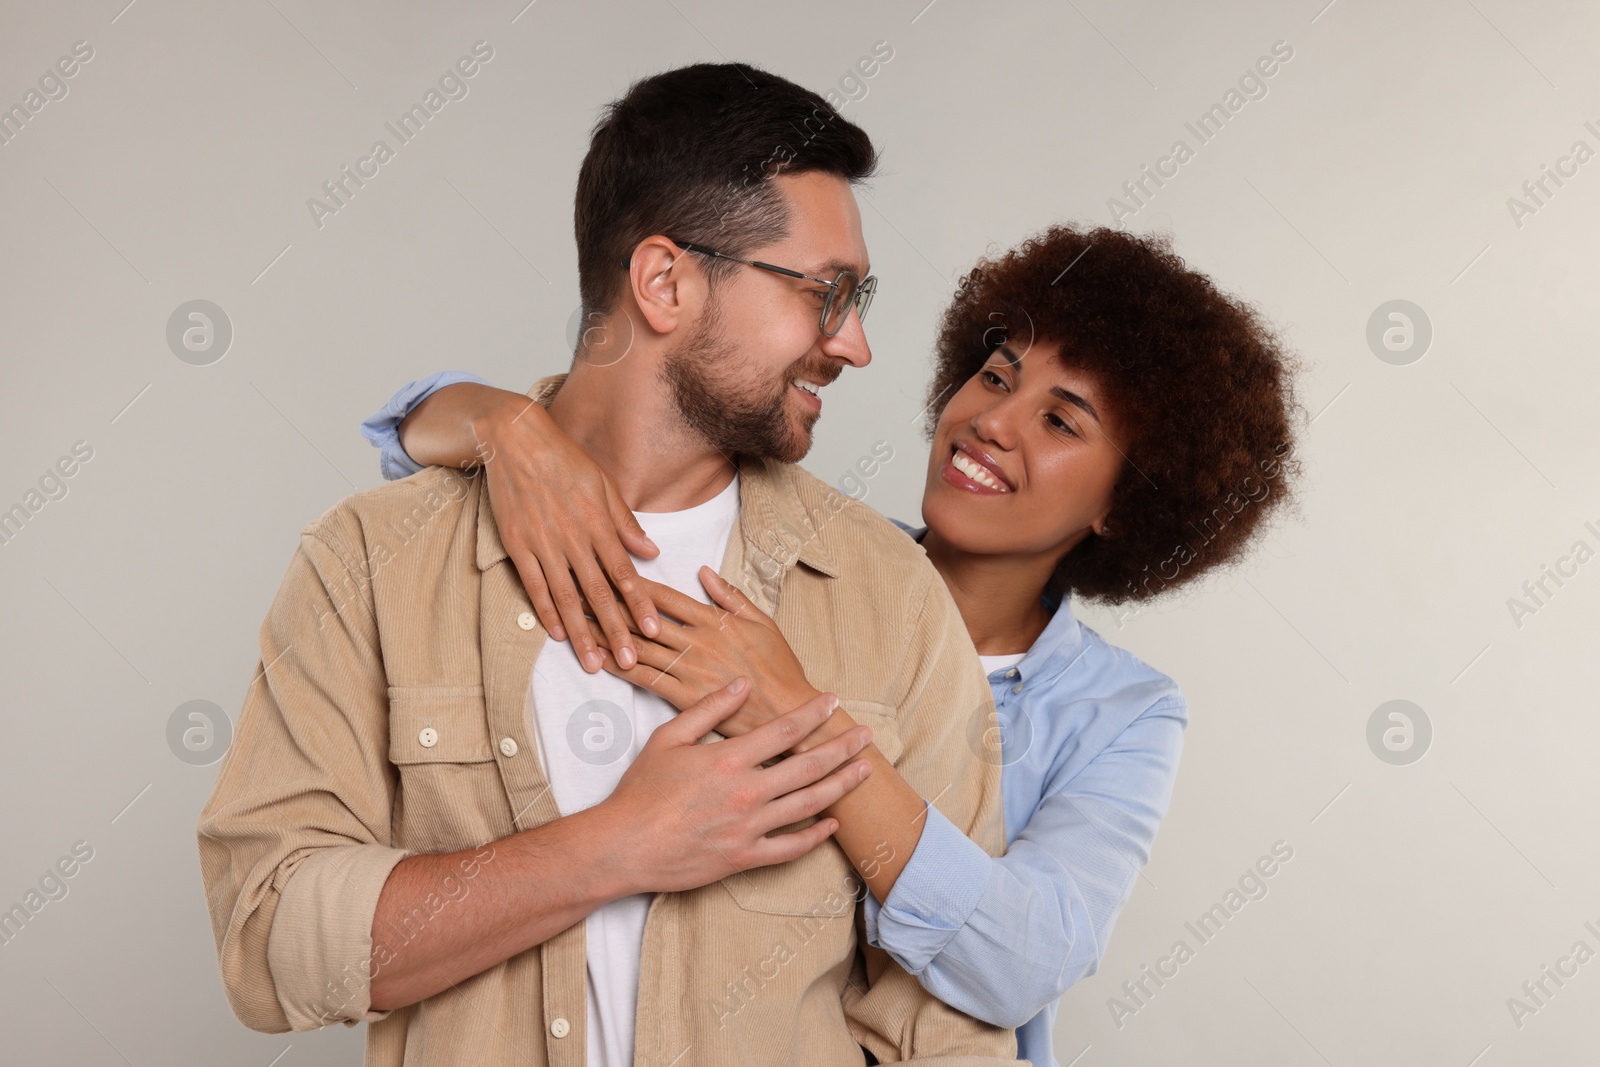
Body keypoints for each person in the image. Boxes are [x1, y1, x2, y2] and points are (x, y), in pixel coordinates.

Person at [198, 62, 1027, 1067]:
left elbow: (945, 1026)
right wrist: (616, 845)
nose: (852, 343)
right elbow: (270, 936)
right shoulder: (372, 562)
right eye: (827, 293)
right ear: (665, 282)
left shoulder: (887, 595)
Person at [362, 223, 1304, 1067]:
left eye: (1060, 420)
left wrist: (802, 718)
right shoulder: (797, 553)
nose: (992, 422)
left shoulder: (1122, 712)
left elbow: (1024, 962)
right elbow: (510, 486)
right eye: (997, 376)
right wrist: (503, 420)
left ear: (1122, 503)